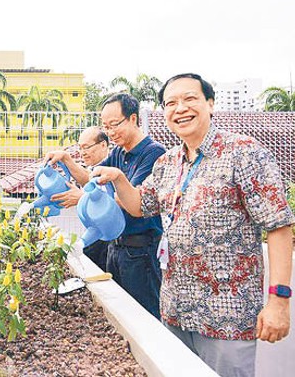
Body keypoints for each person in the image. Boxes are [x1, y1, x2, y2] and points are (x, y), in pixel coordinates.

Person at [92, 73, 294, 377]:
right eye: (170, 103)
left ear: (210, 103)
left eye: (190, 99)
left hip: (226, 316)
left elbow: (278, 226)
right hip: (175, 308)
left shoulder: (243, 152)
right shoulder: (168, 162)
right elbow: (139, 205)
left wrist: (279, 300)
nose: (180, 108)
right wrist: (118, 178)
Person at [96, 93, 166, 319]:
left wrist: (112, 183)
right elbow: (92, 179)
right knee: (119, 316)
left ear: (133, 119)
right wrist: (67, 162)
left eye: (114, 124)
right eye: (106, 127)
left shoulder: (153, 153)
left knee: (144, 317)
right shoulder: (118, 152)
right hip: (117, 248)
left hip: (141, 252)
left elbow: (134, 200)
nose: (110, 132)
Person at [44, 126, 110, 270]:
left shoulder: (112, 168)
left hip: (113, 240)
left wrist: (82, 198)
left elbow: (110, 202)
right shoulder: (94, 169)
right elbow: (87, 179)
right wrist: (66, 158)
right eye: (80, 148)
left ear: (103, 145)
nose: (82, 153)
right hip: (97, 237)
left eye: (86, 147)